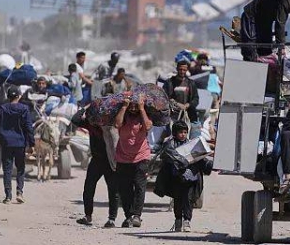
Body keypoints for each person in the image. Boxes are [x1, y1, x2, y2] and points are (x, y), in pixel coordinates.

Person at [154, 121, 213, 232]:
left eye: (185, 132)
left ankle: (187, 221)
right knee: (178, 200)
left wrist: (209, 164)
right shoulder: (169, 144)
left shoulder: (193, 144)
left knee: (188, 200)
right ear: (175, 133)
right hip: (176, 178)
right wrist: (183, 161)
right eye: (180, 132)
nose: (183, 135)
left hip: (190, 178)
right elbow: (170, 155)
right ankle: (178, 220)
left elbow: (201, 158)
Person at [75, 105, 119, 228]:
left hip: (110, 161)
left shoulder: (111, 125)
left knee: (113, 190)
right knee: (88, 188)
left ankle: (112, 219)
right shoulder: (91, 125)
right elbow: (75, 119)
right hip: (96, 160)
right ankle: (88, 216)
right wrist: (86, 107)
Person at [115, 93, 153, 228]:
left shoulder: (143, 118)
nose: (133, 109)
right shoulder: (123, 117)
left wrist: (141, 108)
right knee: (124, 189)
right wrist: (125, 106)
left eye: (134, 106)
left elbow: (148, 126)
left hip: (141, 157)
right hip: (122, 157)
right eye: (131, 106)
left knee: (139, 186)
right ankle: (128, 216)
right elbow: (117, 123)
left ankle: (137, 215)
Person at [0, 86, 34, 204]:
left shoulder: (2, 108)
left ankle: (8, 196)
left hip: (6, 143)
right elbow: (28, 127)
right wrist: (31, 143)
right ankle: (19, 192)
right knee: (20, 169)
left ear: (8, 96)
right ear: (19, 96)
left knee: (7, 169)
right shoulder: (24, 109)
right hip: (20, 143)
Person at [162, 60, 200, 139]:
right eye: (180, 69)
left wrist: (187, 105)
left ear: (187, 70)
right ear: (177, 69)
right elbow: (164, 97)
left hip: (188, 114)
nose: (182, 71)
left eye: (184, 70)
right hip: (173, 114)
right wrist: (176, 104)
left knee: (192, 132)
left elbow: (196, 99)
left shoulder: (191, 83)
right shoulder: (169, 82)